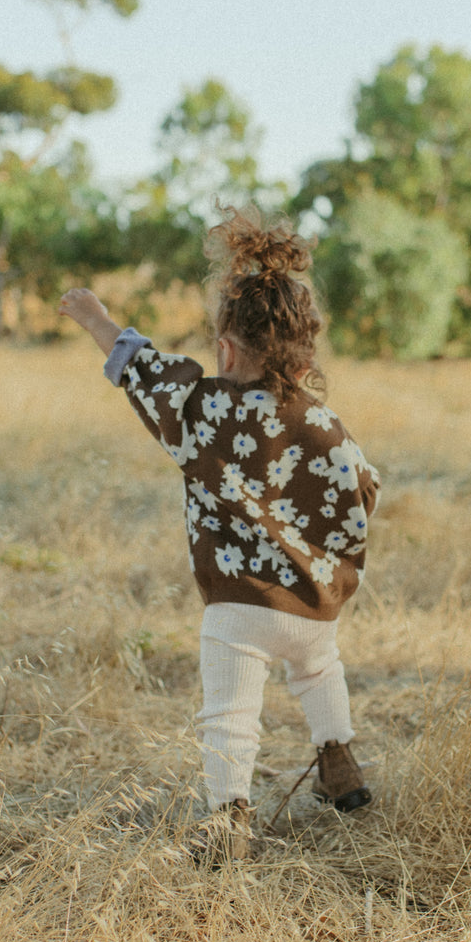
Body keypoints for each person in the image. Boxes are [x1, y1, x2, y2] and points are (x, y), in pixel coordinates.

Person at [58, 206, 380, 857]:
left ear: (225, 348)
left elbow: (143, 371)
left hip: (237, 607)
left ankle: (230, 818)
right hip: (314, 604)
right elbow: (366, 484)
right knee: (320, 670)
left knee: (230, 712)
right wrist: (328, 554)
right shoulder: (321, 419)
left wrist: (97, 320)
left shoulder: (200, 407)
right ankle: (338, 762)